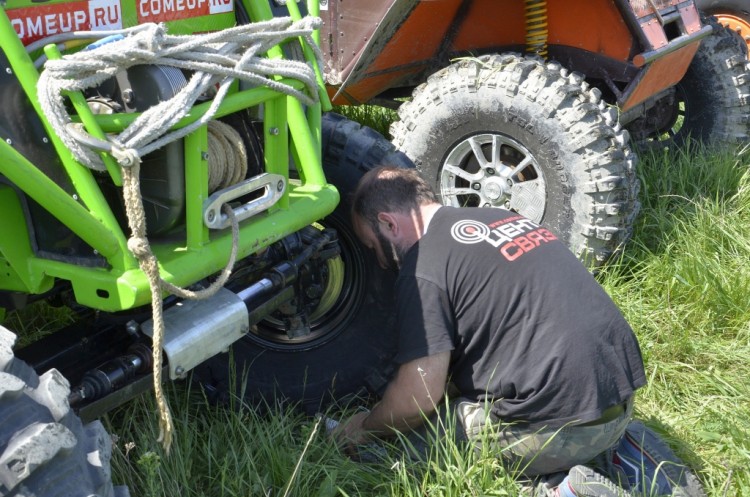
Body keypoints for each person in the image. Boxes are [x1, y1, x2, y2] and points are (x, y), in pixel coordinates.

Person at [334, 166, 647, 497]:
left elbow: (418, 397)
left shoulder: (422, 268)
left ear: (388, 223)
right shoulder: (499, 216)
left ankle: (560, 488)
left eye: (372, 247)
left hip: (564, 428)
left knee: (407, 447)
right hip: (618, 400)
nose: (380, 262)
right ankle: (625, 456)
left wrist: (366, 428)